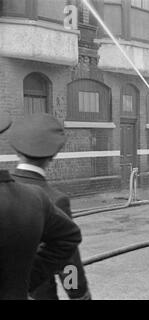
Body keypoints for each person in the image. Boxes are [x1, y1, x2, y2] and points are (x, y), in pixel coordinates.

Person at [8, 113, 91, 300]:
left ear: (17, 151)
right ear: (52, 156)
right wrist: (78, 294)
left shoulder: (3, 189)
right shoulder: (55, 199)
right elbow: (69, 262)